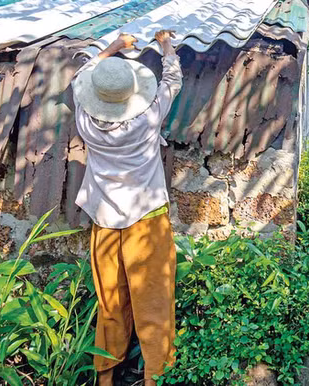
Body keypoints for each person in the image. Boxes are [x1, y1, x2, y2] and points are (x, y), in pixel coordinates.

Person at [71, 30, 183, 386]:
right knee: (154, 305)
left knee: (111, 303)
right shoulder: (147, 119)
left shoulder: (85, 119)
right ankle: (154, 378)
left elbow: (81, 75)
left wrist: (114, 47)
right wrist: (165, 44)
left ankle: (105, 377)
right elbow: (173, 79)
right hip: (146, 221)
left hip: (104, 222)